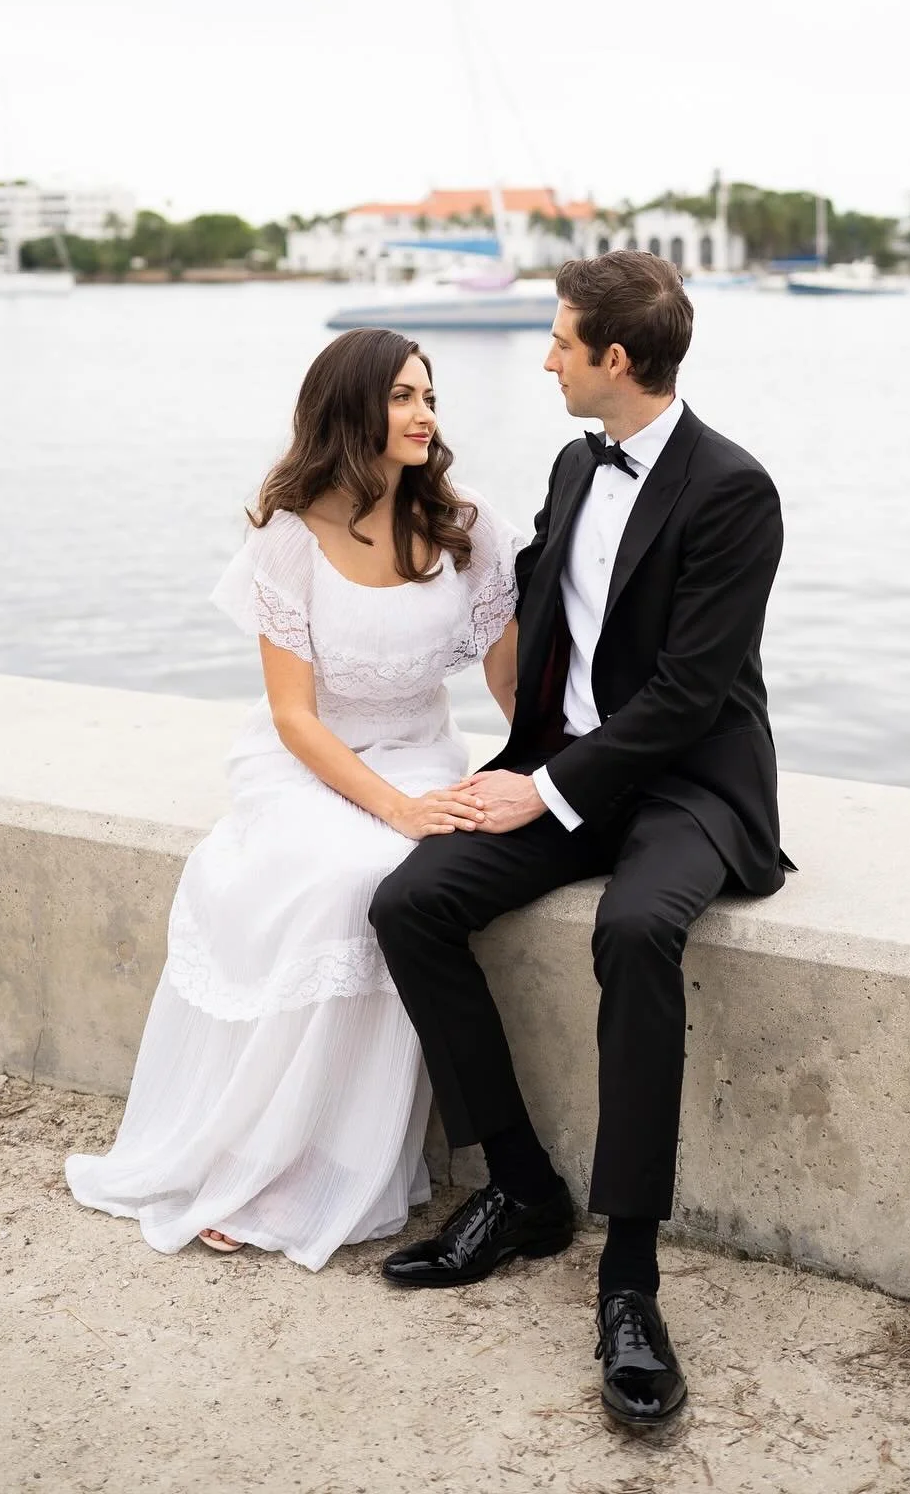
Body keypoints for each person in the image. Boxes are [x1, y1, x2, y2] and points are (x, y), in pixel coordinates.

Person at [369, 250, 790, 1428]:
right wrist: (414, 520)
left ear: (616, 358)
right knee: (410, 903)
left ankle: (630, 1282)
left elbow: (690, 696)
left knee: (639, 927)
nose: (544, 356)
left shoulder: (733, 490)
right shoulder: (572, 458)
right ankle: (520, 1190)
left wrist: (545, 792)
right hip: (564, 770)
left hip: (688, 783)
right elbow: (535, 599)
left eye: (560, 340)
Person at [65, 328, 522, 1270]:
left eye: (429, 395)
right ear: (352, 408)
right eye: (402, 396)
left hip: (424, 751)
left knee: (401, 884)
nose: (425, 414)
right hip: (309, 762)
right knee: (338, 873)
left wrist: (547, 781)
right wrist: (393, 809)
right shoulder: (287, 534)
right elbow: (294, 717)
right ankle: (258, 1157)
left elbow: (513, 689)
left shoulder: (466, 526)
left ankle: (330, 1161)